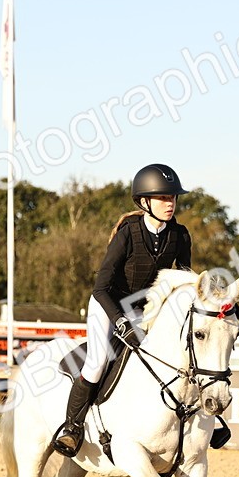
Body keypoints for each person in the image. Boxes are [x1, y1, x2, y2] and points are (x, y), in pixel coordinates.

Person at [52, 164, 193, 457]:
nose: (170, 203)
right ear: (145, 202)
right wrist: (119, 321)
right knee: (97, 361)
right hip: (108, 305)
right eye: (163, 198)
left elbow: (185, 282)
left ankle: (202, 422)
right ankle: (72, 427)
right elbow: (100, 288)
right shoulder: (128, 233)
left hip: (146, 310)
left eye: (172, 198)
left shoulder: (180, 235)